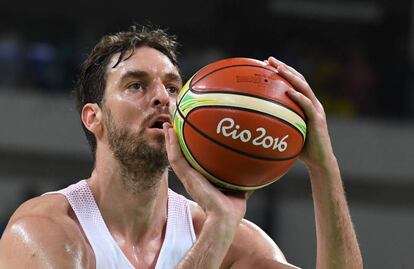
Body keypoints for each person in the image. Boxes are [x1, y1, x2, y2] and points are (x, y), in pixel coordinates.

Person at [0, 26, 363, 269]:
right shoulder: (44, 230)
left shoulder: (232, 238)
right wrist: (216, 233)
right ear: (93, 117)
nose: (162, 97)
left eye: (172, 87)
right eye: (136, 86)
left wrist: (323, 165)